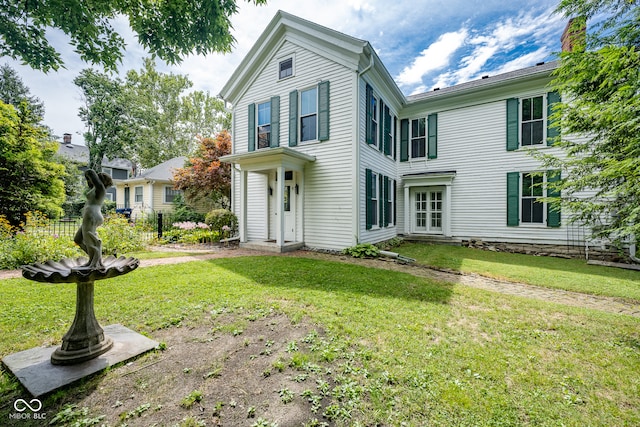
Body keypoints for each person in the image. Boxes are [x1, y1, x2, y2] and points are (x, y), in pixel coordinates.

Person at [73, 169, 113, 271]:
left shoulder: (101, 189)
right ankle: (95, 258)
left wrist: (89, 173)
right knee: (78, 239)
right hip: (90, 215)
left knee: (89, 240)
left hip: (92, 216)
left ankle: (94, 262)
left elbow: (90, 172)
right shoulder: (96, 189)